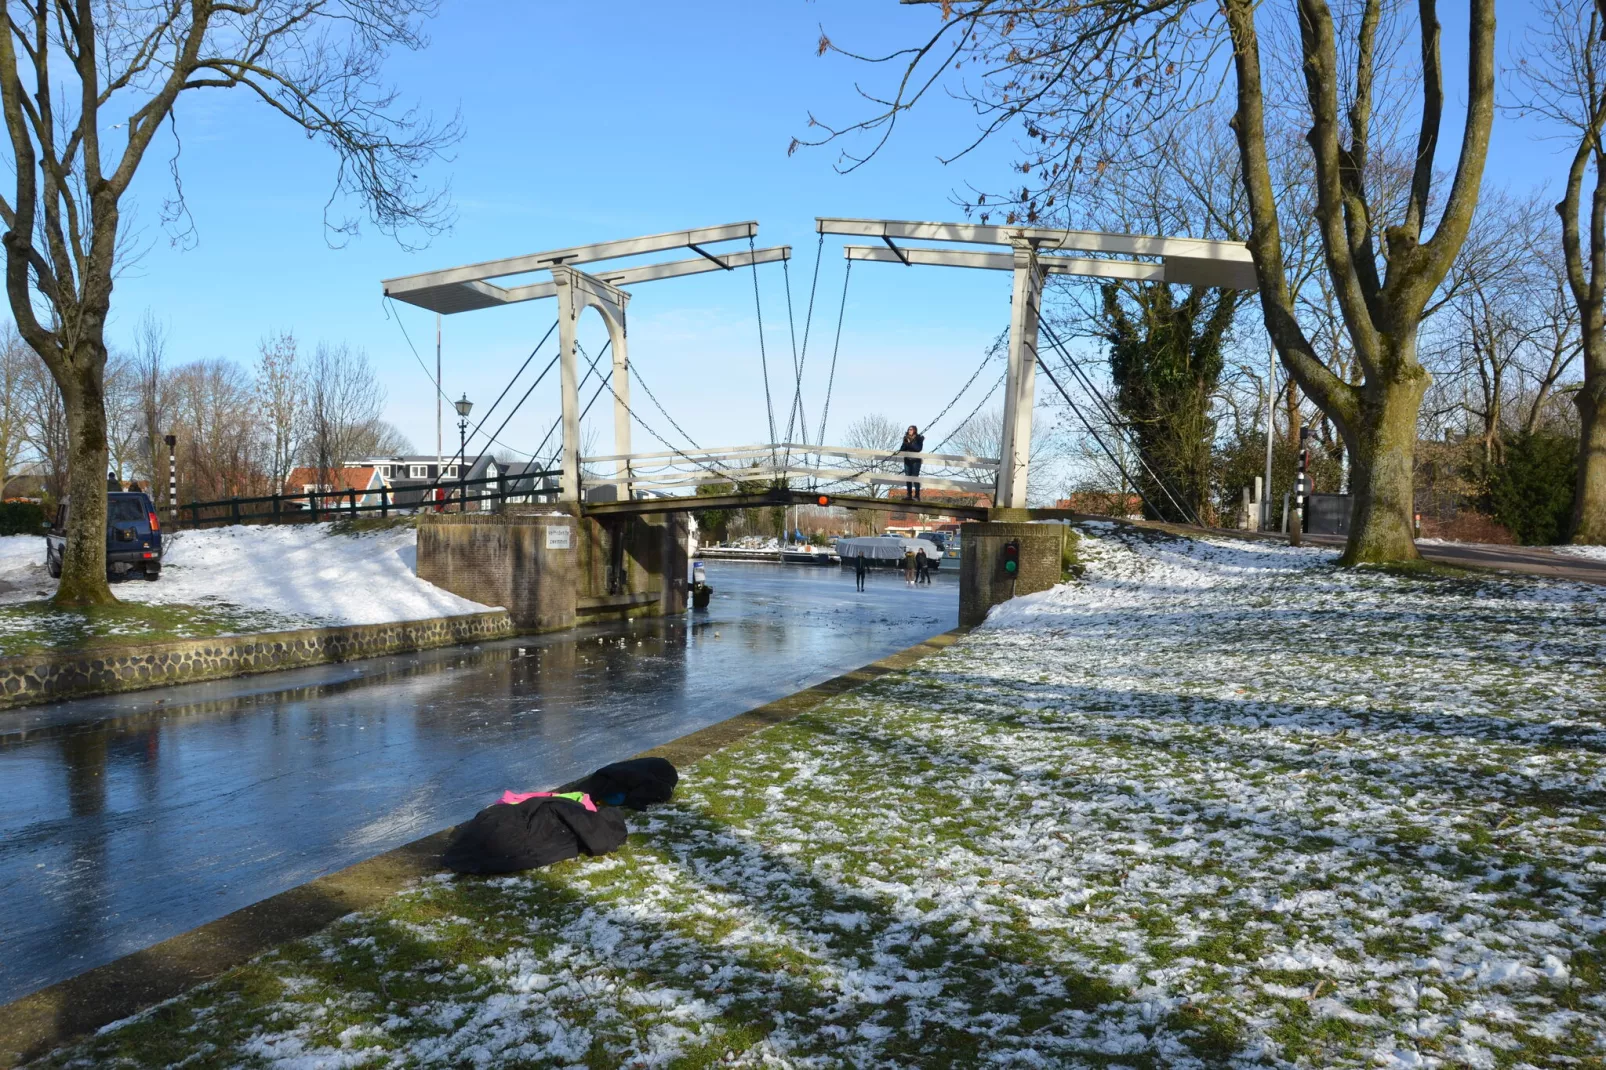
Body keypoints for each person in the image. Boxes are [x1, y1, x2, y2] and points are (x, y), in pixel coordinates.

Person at [900, 425, 925, 501]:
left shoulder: (918, 438)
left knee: (915, 477)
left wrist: (910, 444)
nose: (909, 430)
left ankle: (917, 496)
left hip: (915, 460)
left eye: (911, 429)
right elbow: (902, 449)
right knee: (908, 477)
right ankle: (909, 495)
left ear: (914, 430)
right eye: (908, 429)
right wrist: (906, 443)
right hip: (907, 460)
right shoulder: (906, 438)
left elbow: (918, 449)